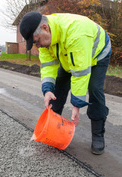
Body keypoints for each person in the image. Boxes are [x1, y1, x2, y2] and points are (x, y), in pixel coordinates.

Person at [20, 12, 111, 155]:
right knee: (58, 87)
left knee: (94, 89)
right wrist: (47, 89)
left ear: (45, 28)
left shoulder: (75, 33)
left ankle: (98, 135)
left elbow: (80, 73)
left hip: (97, 54)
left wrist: (76, 104)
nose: (37, 46)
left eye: (37, 41)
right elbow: (48, 67)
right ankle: (54, 128)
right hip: (69, 55)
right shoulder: (44, 42)